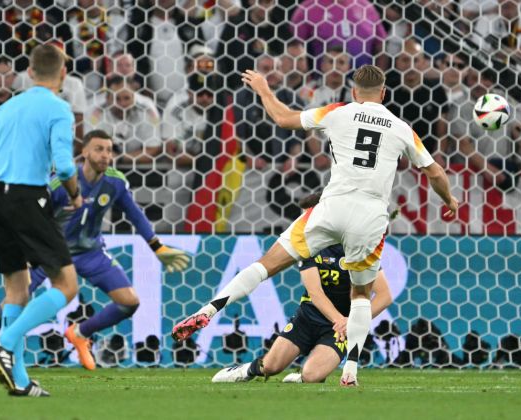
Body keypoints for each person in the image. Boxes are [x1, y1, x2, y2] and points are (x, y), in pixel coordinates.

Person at [172, 65, 459, 387]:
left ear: (353, 92)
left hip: (331, 206)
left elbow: (283, 119)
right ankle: (350, 371)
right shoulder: (401, 127)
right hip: (370, 216)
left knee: (266, 264)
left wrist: (265, 90)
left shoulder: (338, 111)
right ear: (383, 93)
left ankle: (210, 309)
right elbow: (434, 173)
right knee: (362, 293)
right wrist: (449, 201)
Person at [0, 130, 190, 373]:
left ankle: (79, 333)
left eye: (109, 150)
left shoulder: (115, 182)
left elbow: (135, 214)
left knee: (129, 302)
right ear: (84, 152)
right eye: (99, 149)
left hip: (91, 252)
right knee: (14, 300)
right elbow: (35, 218)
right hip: (53, 253)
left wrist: (157, 246)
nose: (106, 155)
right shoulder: (60, 182)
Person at [0, 44, 82, 397]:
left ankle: (19, 380)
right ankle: (6, 339)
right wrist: (75, 193)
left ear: (29, 73)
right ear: (62, 74)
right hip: (29, 197)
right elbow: (64, 166)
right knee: (67, 285)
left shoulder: (7, 106)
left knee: (17, 289)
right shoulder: (59, 109)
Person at [211, 191, 393, 383]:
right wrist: (339, 319)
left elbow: (384, 295)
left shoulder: (357, 246)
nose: (303, 223)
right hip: (309, 316)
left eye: (308, 216)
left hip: (340, 328)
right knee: (271, 367)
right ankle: (245, 370)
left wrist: (352, 322)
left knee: (312, 375)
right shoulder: (309, 245)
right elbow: (315, 293)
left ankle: (303, 375)